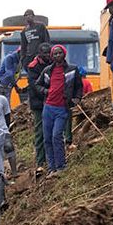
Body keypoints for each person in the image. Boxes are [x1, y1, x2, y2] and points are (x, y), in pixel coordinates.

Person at [38, 45, 85, 174]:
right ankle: (51, 168)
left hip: (62, 108)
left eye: (60, 53)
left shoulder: (72, 70)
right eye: (55, 54)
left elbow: (79, 87)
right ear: (52, 56)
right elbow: (37, 85)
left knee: (56, 136)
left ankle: (61, 166)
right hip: (48, 108)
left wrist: (77, 98)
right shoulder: (47, 70)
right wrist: (45, 91)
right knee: (47, 138)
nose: (57, 55)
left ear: (64, 54)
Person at [20, 43, 54, 170]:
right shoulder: (33, 67)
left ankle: (52, 159)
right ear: (39, 53)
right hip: (39, 103)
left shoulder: (54, 63)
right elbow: (34, 86)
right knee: (40, 132)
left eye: (49, 52)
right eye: (45, 53)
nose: (47, 55)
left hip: (52, 101)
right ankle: (40, 162)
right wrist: (47, 95)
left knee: (54, 131)